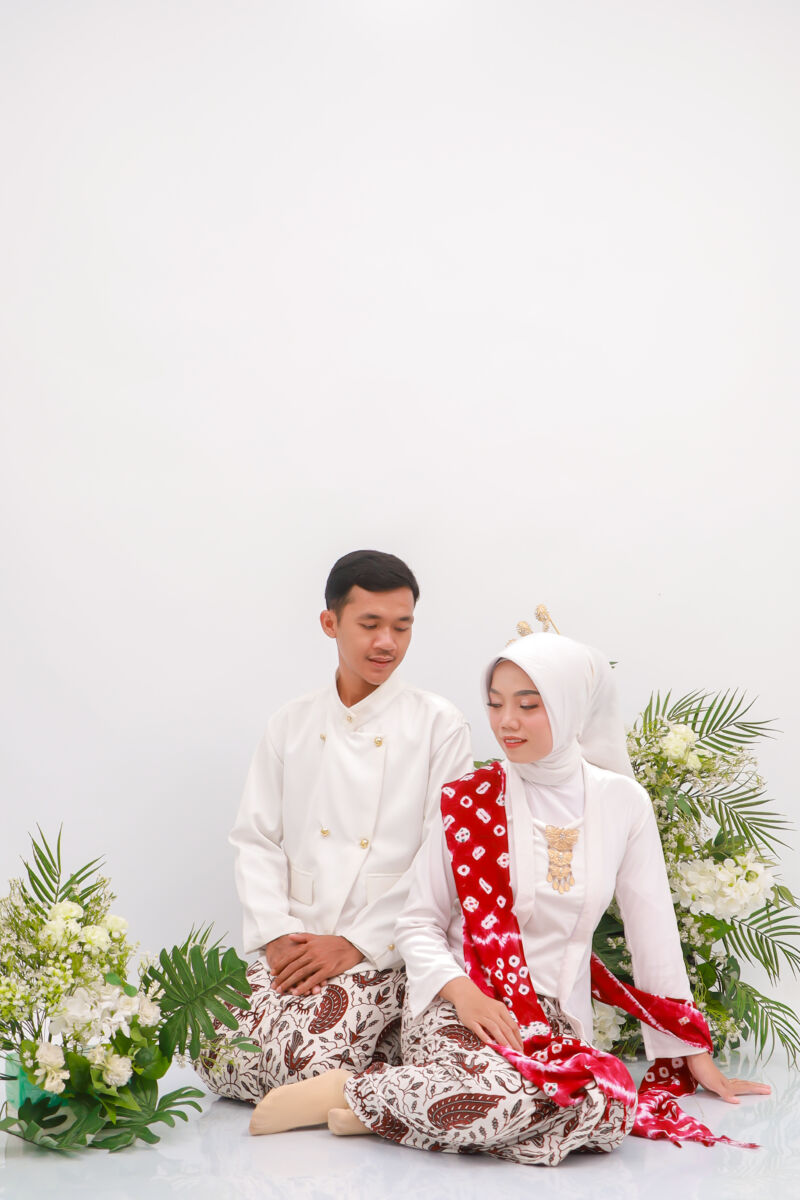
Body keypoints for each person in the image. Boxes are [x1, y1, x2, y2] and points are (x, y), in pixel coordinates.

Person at [248, 631, 769, 1163]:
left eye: (528, 705)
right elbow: (418, 922)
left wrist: (689, 1051)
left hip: (555, 1019)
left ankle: (369, 1101)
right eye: (495, 704)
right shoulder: (470, 798)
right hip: (461, 1005)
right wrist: (463, 995)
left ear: (570, 707)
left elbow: (652, 929)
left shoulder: (622, 802)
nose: (506, 722)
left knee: (608, 1108)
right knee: (531, 1096)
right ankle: (375, 1095)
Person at [194, 550, 473, 1102]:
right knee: (214, 1052)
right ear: (330, 623)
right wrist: (276, 935)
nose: (387, 642)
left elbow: (442, 859)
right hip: (297, 941)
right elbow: (254, 838)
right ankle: (368, 1080)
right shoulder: (291, 722)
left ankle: (369, 1086)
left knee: (309, 1062)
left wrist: (355, 944)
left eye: (402, 626)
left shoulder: (440, 725)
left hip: (386, 947)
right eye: (370, 624)